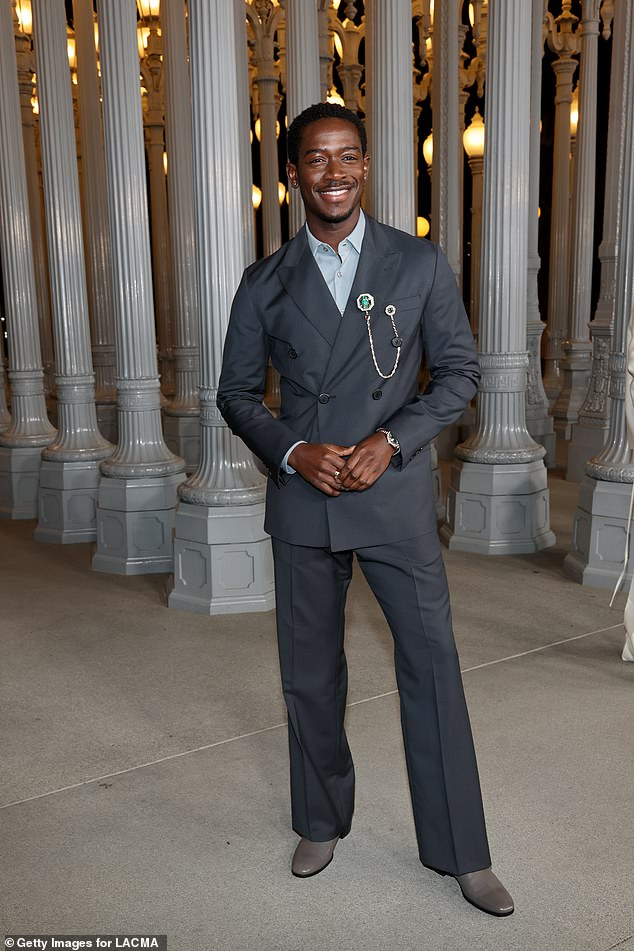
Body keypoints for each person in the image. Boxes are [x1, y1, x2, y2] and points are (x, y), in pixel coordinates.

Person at [217, 102, 514, 917]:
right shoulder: (264, 283)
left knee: (433, 668)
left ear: (367, 166)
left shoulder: (416, 262)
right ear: (292, 174)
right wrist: (291, 450)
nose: (335, 172)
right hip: (304, 501)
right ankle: (319, 817)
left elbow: (458, 373)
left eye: (349, 156)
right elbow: (235, 394)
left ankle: (462, 850)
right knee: (310, 677)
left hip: (392, 498)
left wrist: (392, 439)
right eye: (317, 159)